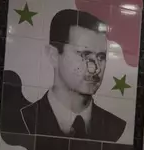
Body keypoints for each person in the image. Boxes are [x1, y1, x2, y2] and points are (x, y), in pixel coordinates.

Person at [18, 9, 126, 142]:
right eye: (84, 55)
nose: (96, 69)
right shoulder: (25, 119)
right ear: (53, 55)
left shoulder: (115, 127)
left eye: (101, 57)